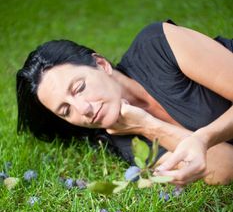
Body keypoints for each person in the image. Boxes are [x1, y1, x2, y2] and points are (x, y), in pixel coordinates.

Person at [16, 19, 233, 186]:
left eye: (79, 88)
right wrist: (147, 127)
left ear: (101, 64)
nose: (84, 109)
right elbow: (226, 169)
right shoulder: (126, 140)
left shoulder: (157, 46)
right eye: (65, 110)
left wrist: (203, 139)